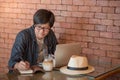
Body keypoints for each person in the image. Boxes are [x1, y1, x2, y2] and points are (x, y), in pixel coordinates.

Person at [8, 9, 58, 73]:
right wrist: (18, 65)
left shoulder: (50, 34)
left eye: (46, 28)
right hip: (26, 73)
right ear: (34, 24)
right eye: (39, 27)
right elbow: (12, 62)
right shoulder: (23, 36)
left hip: (43, 71)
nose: (42, 31)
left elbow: (56, 53)